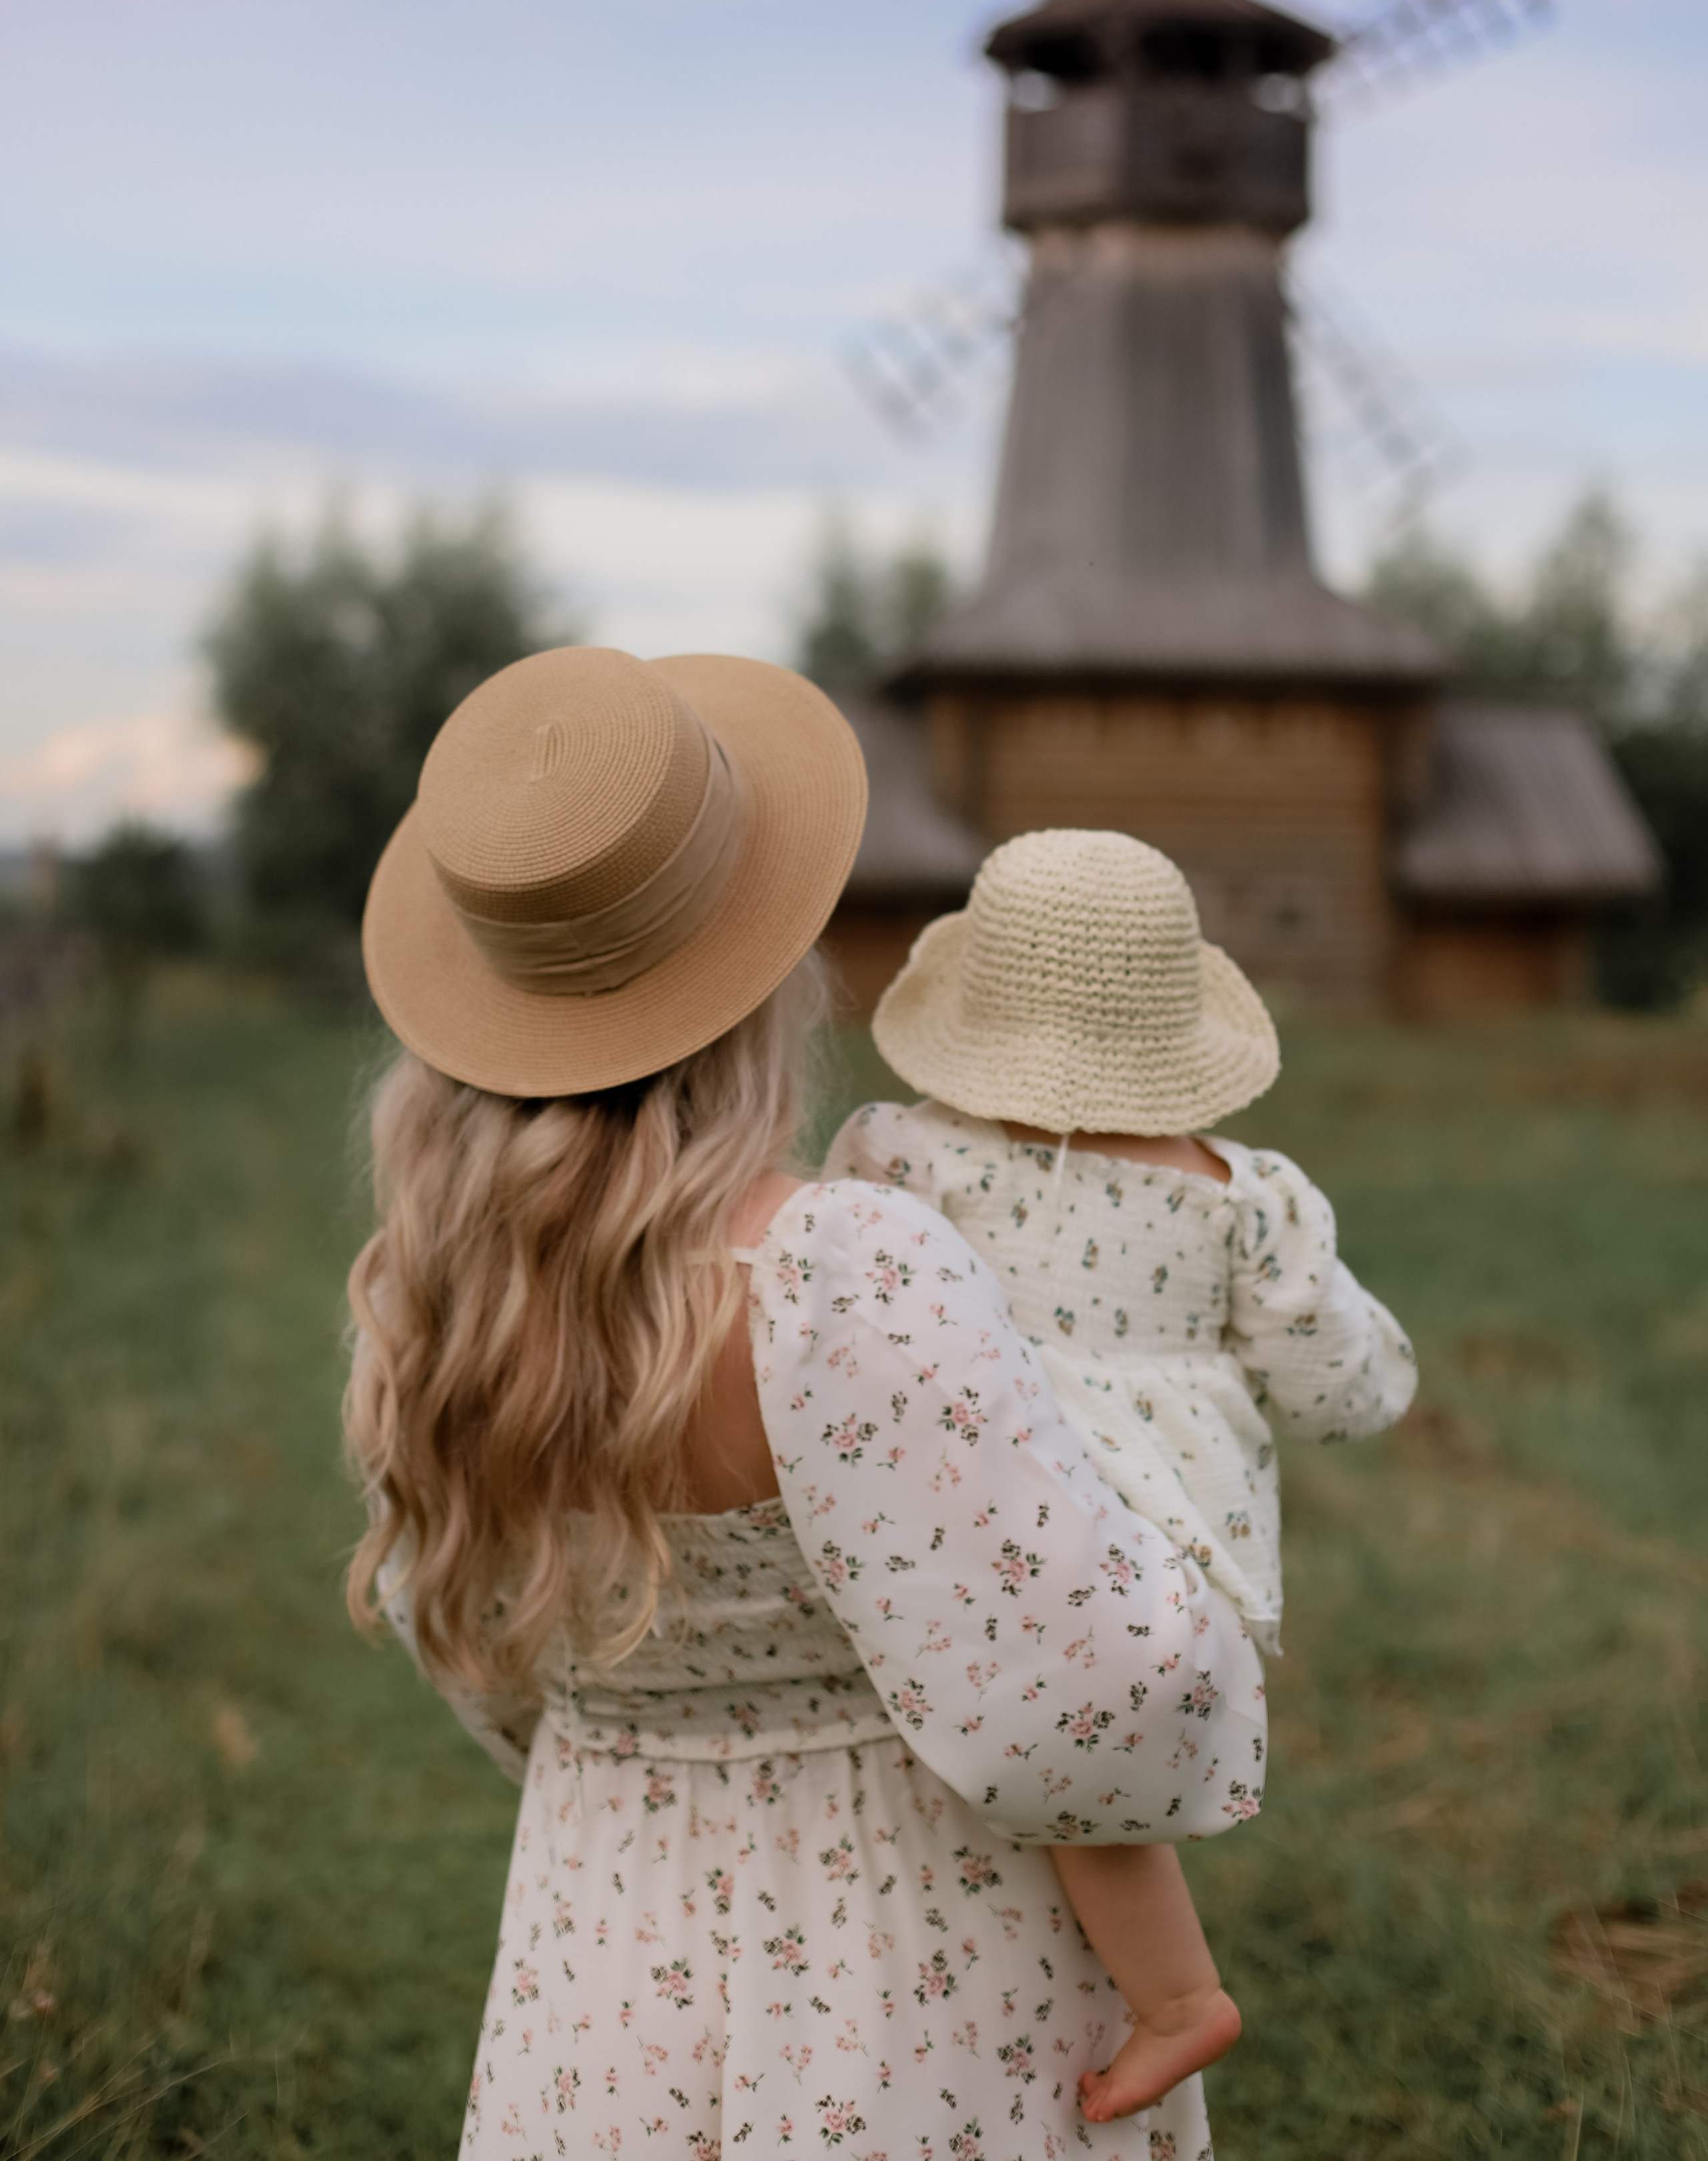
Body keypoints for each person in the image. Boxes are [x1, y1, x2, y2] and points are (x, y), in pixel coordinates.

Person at [343, 648, 1270, 2158]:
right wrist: (1188, 1577)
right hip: (908, 1949)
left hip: (604, 1939)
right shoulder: (841, 1270)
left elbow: (486, 1654)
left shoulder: (436, 1293)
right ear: (766, 968)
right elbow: (1066, 1675)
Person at [826, 826, 1418, 2123]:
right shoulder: (1241, 1202)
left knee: (988, 1778)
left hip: (972, 1543)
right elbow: (1342, 1391)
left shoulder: (904, 1161)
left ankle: (1130, 2004)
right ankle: (1165, 1996)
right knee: (1086, 1798)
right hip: (1166, 1583)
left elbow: (829, 1335)